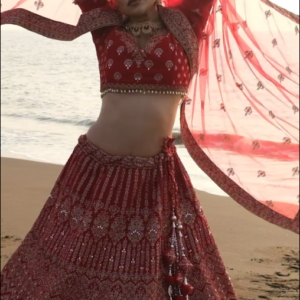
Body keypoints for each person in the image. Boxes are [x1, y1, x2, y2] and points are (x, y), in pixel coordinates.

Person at [1, 0, 299, 298]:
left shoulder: (187, 19)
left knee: (149, 270)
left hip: (154, 177)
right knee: (65, 264)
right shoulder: (104, 21)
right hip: (93, 170)